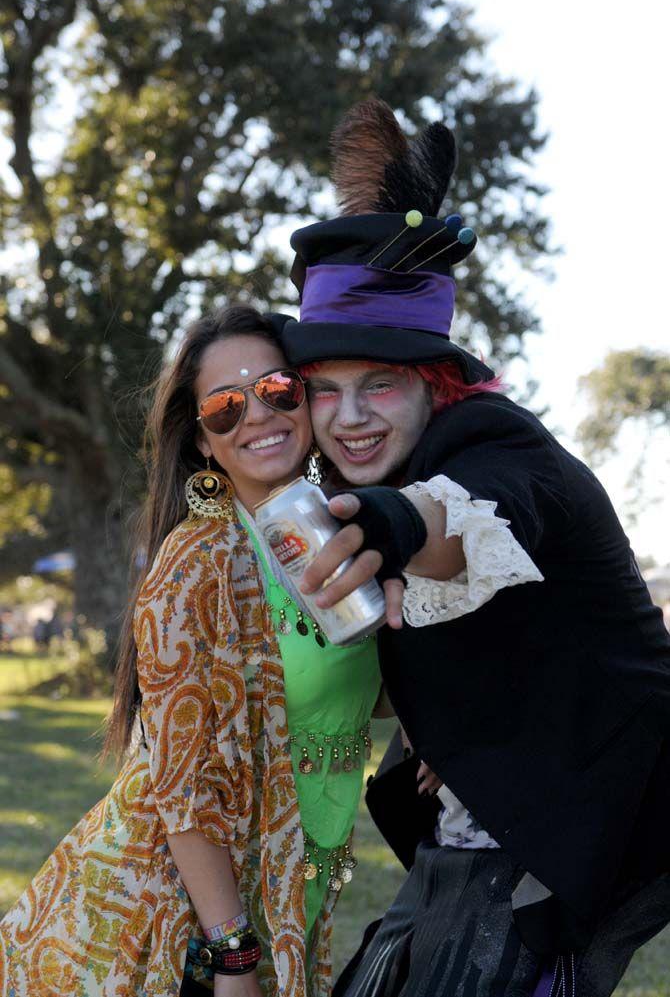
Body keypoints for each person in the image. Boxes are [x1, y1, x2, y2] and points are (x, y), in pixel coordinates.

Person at [271, 98, 670, 996]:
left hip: (588, 821)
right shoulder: (366, 469)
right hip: (481, 825)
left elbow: (462, 519)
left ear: (436, 382)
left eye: (379, 383)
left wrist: (388, 523)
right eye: (324, 390)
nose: (350, 415)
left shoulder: (497, 445)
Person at [0, 306, 387, 997]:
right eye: (225, 408)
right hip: (167, 920)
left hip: (290, 883)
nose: (257, 417)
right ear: (204, 441)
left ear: (305, 396)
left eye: (275, 390)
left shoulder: (340, 529)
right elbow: (180, 787)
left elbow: (349, 683)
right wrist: (232, 955)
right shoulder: (195, 567)